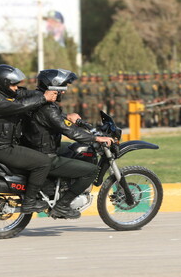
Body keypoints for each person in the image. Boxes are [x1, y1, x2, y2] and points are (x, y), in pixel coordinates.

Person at [21, 69, 114, 219]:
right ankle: (62, 206)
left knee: (75, 150)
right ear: (54, 88)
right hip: (46, 154)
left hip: (37, 147)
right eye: (62, 88)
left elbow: (51, 118)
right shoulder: (48, 108)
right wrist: (96, 139)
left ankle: (62, 186)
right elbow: (70, 131)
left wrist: (66, 116)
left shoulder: (37, 99)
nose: (63, 92)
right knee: (90, 171)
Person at [0, 64, 58, 213]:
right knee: (43, 162)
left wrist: (41, 94)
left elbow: (21, 95)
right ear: (4, 83)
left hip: (2, 144)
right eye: (13, 85)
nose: (16, 88)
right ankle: (29, 202)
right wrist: (43, 98)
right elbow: (20, 106)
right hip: (3, 148)